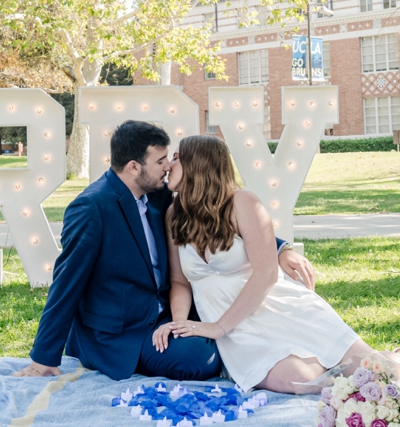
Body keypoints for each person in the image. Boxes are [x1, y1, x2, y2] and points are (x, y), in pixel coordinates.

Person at [17, 119, 317, 383]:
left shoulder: (158, 193)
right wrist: (44, 358)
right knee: (201, 359)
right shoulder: (92, 207)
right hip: (122, 332)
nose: (169, 166)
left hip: (167, 313)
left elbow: (219, 217)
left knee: (241, 324)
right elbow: (66, 283)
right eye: (161, 160)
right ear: (134, 167)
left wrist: (280, 249)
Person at [160, 134, 400, 394]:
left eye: (176, 158)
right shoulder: (174, 214)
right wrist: (181, 323)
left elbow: (265, 275)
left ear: (199, 164)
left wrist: (217, 327)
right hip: (240, 332)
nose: (169, 165)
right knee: (300, 382)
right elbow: (180, 282)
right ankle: (361, 361)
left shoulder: (242, 203)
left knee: (379, 373)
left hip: (278, 309)